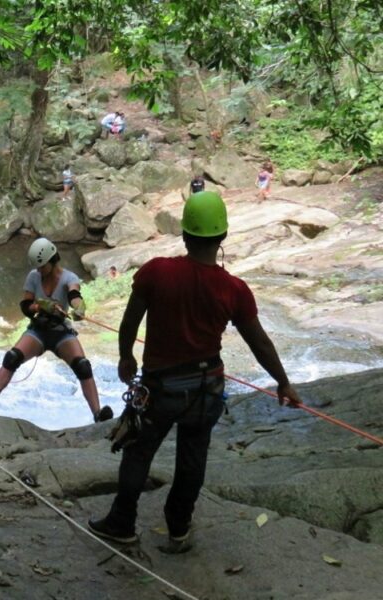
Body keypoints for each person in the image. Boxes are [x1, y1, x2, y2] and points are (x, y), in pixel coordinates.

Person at [88, 191, 302, 553]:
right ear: (222, 238)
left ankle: (122, 523)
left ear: (185, 235)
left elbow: (129, 321)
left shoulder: (157, 272)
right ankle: (179, 529)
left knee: (139, 453)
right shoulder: (234, 289)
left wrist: (126, 357)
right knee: (193, 456)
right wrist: (283, 382)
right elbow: (260, 343)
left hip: (161, 389)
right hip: (206, 389)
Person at [0, 238, 113, 423]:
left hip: (61, 332)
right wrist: (39, 307)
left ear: (53, 261)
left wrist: (79, 308)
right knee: (12, 357)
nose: (39, 270)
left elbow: (74, 295)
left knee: (83, 366)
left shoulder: (69, 278)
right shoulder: (33, 277)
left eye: (42, 266)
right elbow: (25, 305)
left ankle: (97, 413)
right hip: (39, 331)